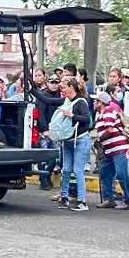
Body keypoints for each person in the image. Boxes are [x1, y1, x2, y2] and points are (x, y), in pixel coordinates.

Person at [92, 90, 129, 210]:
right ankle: (109, 198)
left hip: (118, 148)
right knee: (105, 173)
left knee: (121, 174)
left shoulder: (108, 111)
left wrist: (99, 139)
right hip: (109, 150)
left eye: (95, 101)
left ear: (100, 102)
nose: (93, 103)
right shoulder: (101, 114)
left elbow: (109, 130)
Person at [57, 77, 92, 211]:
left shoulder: (81, 102)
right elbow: (49, 100)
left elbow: (86, 119)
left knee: (78, 170)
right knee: (66, 170)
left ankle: (82, 201)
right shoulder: (66, 101)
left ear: (71, 87)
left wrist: (72, 115)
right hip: (68, 140)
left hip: (81, 140)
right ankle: (64, 197)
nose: (62, 90)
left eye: (64, 87)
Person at [30, 74, 64, 191]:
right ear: (48, 83)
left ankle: (46, 176)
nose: (54, 85)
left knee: (54, 157)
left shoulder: (61, 96)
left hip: (57, 130)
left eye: (56, 82)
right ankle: (43, 180)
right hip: (45, 130)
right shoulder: (44, 95)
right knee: (43, 157)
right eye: (52, 82)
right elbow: (41, 114)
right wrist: (44, 129)